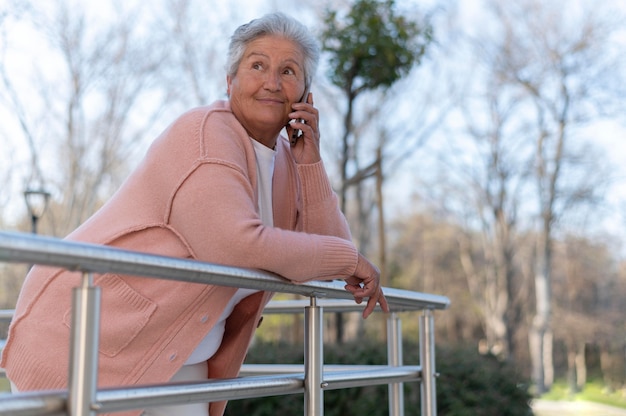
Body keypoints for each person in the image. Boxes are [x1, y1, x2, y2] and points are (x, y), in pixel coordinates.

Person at [0, 12, 388, 416]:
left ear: (306, 94)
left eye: (288, 71)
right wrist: (349, 261)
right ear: (229, 81)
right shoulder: (205, 133)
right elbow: (235, 244)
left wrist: (310, 163)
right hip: (83, 340)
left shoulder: (289, 163)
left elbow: (334, 252)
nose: (272, 81)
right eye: (257, 65)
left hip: (178, 354)